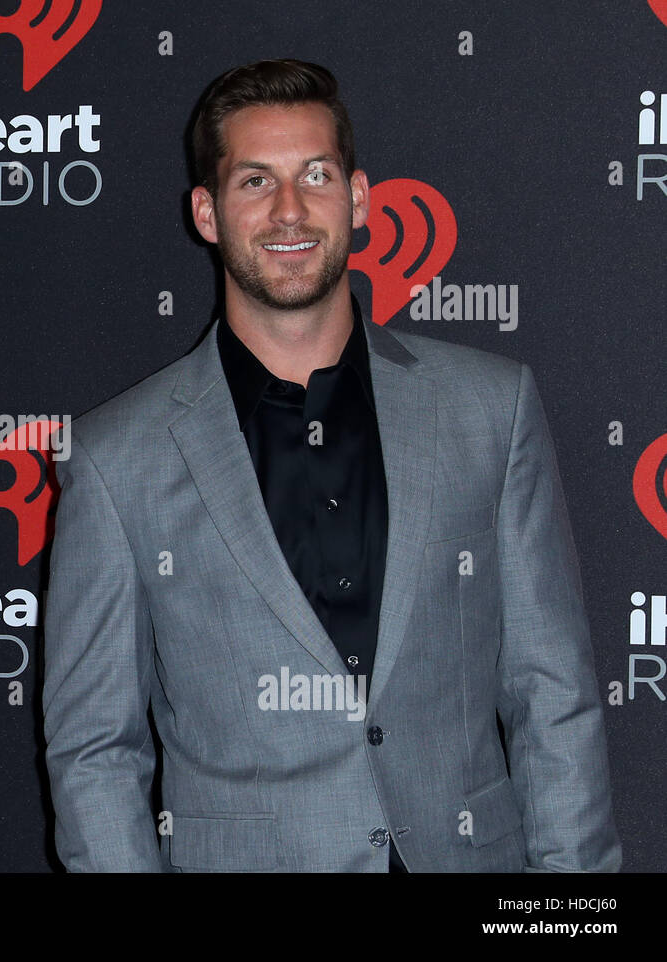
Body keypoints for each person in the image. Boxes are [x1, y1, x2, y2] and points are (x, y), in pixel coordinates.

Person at [42, 59, 620, 872]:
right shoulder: (116, 458)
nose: (289, 210)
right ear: (207, 213)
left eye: (315, 174)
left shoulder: (492, 409)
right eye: (254, 181)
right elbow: (95, 750)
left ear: (357, 197)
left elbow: (551, 694)